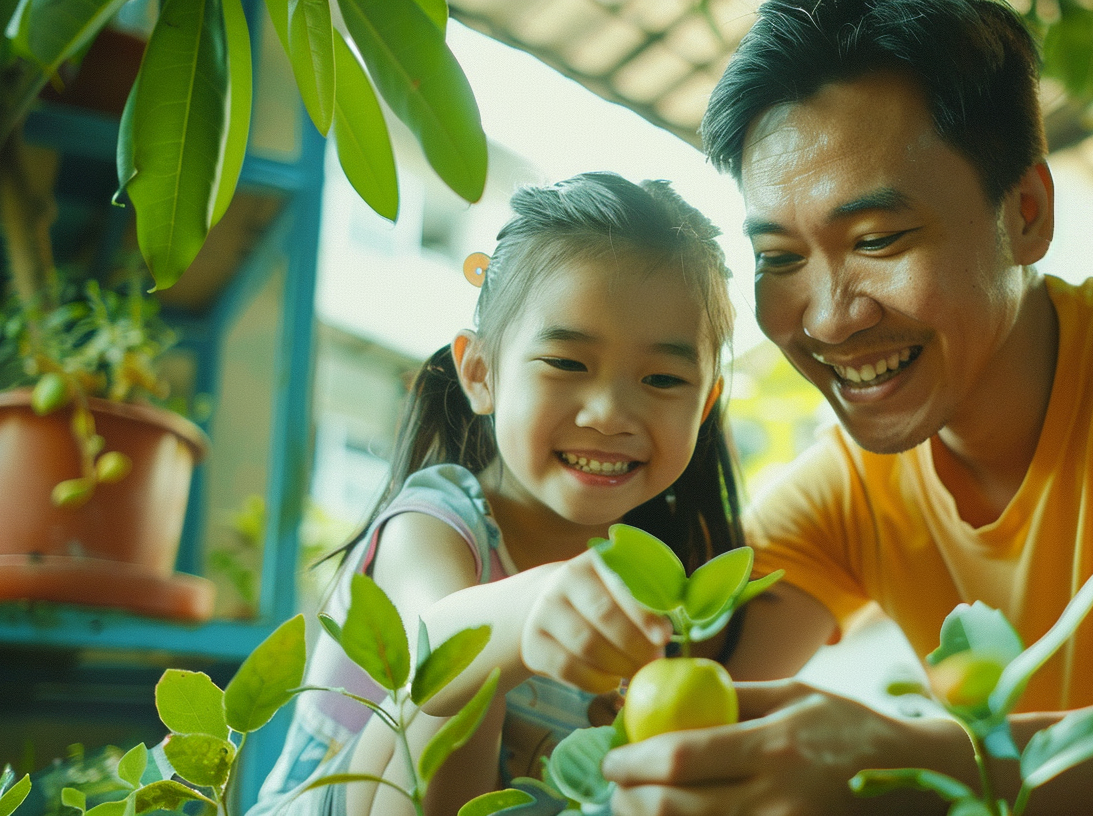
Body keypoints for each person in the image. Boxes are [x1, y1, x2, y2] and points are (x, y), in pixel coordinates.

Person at [592, 1, 1093, 814]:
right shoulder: (844, 492)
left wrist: (926, 766)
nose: (830, 317)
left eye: (878, 240)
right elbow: (673, 697)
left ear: (1026, 213)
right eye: (779, 258)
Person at [246, 172, 744, 816]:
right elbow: (438, 636)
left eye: (662, 378)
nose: (609, 413)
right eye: (567, 363)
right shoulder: (433, 523)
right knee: (452, 679)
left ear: (704, 406)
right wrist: (532, 604)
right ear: (481, 374)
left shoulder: (659, 578)